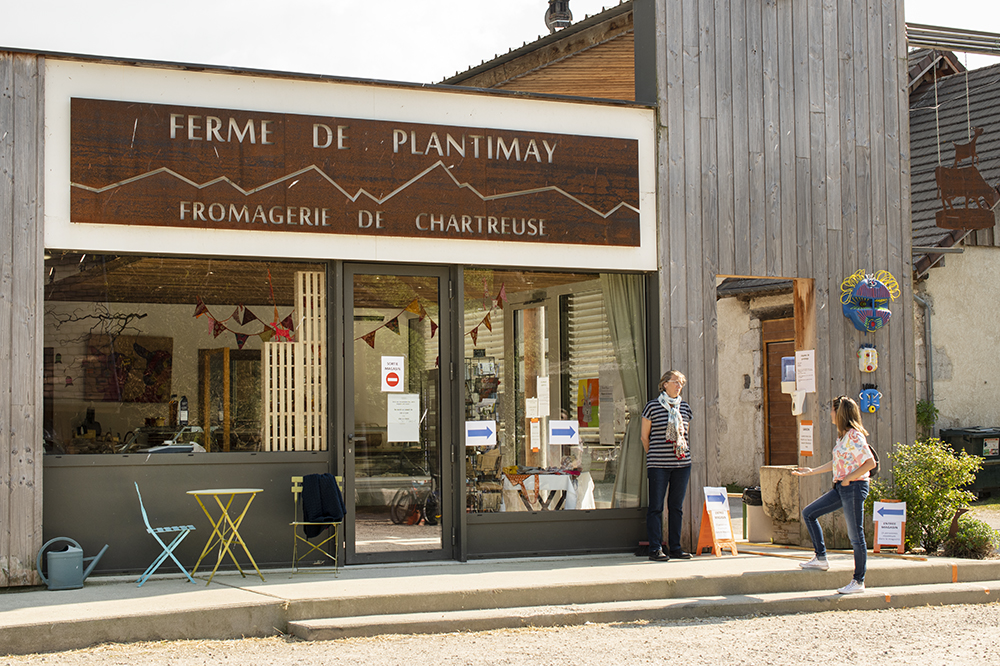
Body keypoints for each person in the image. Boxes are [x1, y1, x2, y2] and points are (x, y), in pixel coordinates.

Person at [792, 395, 877, 594]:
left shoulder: (855, 436)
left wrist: (849, 478)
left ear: (840, 413)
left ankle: (858, 581)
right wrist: (811, 471)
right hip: (841, 488)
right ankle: (820, 558)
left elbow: (870, 462)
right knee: (809, 513)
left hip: (854, 488)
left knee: (856, 537)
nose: (830, 413)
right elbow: (837, 464)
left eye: (832, 410)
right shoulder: (843, 437)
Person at [641, 370, 693, 562]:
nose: (679, 386)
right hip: (658, 464)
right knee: (656, 506)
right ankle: (655, 548)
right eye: (675, 382)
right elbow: (644, 437)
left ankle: (676, 548)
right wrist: (654, 455)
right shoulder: (652, 407)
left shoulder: (685, 408)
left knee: (676, 507)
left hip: (682, 464)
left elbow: (685, 436)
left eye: (681, 383)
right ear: (664, 384)